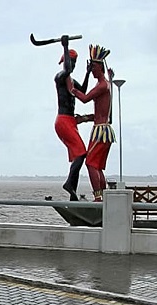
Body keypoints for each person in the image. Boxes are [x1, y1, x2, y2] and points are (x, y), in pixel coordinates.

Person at [67, 44, 114, 202]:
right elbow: (101, 112)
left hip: (101, 131)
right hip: (103, 129)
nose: (91, 70)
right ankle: (103, 196)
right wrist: (84, 118)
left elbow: (85, 98)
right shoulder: (106, 85)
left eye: (92, 67)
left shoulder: (102, 85)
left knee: (91, 163)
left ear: (99, 67)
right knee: (97, 165)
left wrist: (72, 89)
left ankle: (99, 198)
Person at [54, 35, 92, 201]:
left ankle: (72, 192)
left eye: (75, 62)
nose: (73, 66)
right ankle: (69, 185)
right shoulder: (60, 77)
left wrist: (88, 72)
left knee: (79, 155)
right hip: (63, 120)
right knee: (82, 153)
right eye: (71, 62)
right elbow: (67, 70)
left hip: (70, 121)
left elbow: (83, 90)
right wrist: (65, 46)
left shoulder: (72, 80)